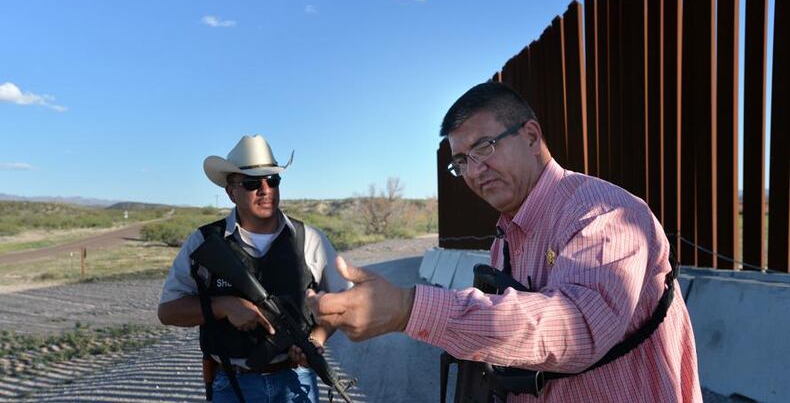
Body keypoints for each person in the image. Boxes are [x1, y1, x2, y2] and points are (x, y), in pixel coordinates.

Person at [308, 83, 702, 402]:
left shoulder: (603, 214)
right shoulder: (507, 235)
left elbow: (577, 328)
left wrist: (408, 309)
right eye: (460, 161)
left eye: (484, 147)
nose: (474, 171)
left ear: (530, 136)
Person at [158, 134, 350, 403]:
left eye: (272, 180)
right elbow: (168, 312)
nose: (265, 189)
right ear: (230, 191)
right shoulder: (204, 242)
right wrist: (224, 306)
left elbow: (342, 302)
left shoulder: (309, 239)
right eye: (251, 183)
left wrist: (316, 339)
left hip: (296, 380)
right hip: (232, 384)